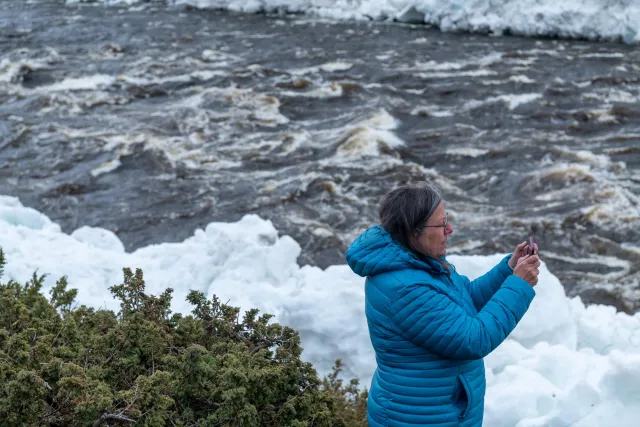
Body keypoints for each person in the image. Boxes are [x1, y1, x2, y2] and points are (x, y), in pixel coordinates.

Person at [345, 181, 539, 427]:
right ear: (414, 231)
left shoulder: (416, 262)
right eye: (441, 223)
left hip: (437, 410)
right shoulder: (406, 289)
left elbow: (463, 299)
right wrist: (518, 286)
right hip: (420, 418)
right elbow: (473, 339)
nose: (450, 228)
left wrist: (509, 270)